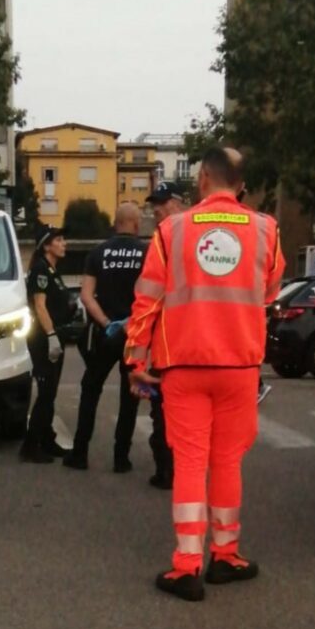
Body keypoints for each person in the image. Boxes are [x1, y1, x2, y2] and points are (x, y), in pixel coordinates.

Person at [125, 147, 284, 602]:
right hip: (239, 365)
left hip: (184, 364)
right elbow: (270, 290)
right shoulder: (266, 230)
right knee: (228, 461)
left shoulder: (172, 231)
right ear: (239, 185)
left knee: (191, 462)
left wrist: (137, 360)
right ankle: (227, 555)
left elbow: (148, 300)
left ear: (202, 180)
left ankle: (187, 565)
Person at [64, 203, 146, 474]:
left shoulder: (98, 253)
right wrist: (132, 323)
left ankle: (80, 452)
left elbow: (86, 296)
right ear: (135, 224)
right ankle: (121, 458)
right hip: (135, 334)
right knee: (129, 395)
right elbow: (153, 295)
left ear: (115, 223)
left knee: (91, 389)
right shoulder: (147, 253)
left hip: (105, 334)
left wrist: (107, 323)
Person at [141, 182, 188, 489]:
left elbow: (148, 299)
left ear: (180, 203)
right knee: (164, 412)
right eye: (154, 203)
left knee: (169, 412)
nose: (156, 209)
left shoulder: (171, 239)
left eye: (163, 202)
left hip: (175, 347)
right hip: (169, 347)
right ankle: (170, 469)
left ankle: (171, 471)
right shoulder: (162, 238)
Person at [20, 224, 76, 464]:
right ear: (46, 246)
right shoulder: (41, 270)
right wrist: (51, 335)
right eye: (59, 240)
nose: (64, 244)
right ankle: (31, 445)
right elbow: (40, 305)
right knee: (45, 392)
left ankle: (47, 438)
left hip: (56, 337)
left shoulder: (52, 270)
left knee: (50, 392)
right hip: (45, 339)